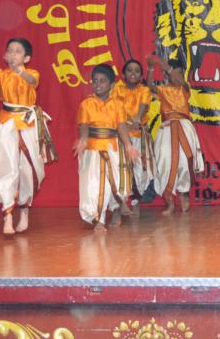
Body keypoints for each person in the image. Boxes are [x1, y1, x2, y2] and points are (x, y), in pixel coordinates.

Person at [0, 38, 56, 236]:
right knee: (7, 167)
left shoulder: (32, 73)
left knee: (27, 170)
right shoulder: (2, 75)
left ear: (26, 58)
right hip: (5, 125)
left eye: (17, 51)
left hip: (27, 125)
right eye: (10, 50)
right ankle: (8, 215)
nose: (12, 54)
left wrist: (19, 70)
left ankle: (24, 210)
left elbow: (31, 81)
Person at [74, 64, 138, 232]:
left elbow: (121, 127)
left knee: (116, 182)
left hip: (113, 148)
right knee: (94, 185)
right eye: (95, 81)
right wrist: (83, 140)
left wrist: (129, 146)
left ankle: (116, 210)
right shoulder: (86, 104)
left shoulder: (117, 104)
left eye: (102, 81)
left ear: (111, 85)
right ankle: (98, 220)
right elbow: (84, 125)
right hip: (93, 149)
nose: (98, 84)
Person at [147, 55, 204, 214]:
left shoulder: (184, 88)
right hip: (166, 128)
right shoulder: (163, 89)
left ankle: (184, 193)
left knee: (185, 161)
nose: (176, 77)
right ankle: (169, 201)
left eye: (179, 73)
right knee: (165, 161)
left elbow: (179, 80)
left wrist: (165, 66)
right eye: (173, 73)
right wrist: (151, 68)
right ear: (166, 76)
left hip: (184, 127)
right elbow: (149, 85)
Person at [111, 59, 154, 214]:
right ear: (123, 74)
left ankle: (137, 197)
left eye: (137, 71)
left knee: (139, 167)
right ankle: (121, 201)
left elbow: (143, 105)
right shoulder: (117, 89)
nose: (133, 73)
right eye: (129, 70)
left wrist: (137, 119)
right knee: (122, 166)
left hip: (138, 134)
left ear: (141, 75)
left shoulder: (144, 90)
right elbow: (114, 108)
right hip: (121, 135)